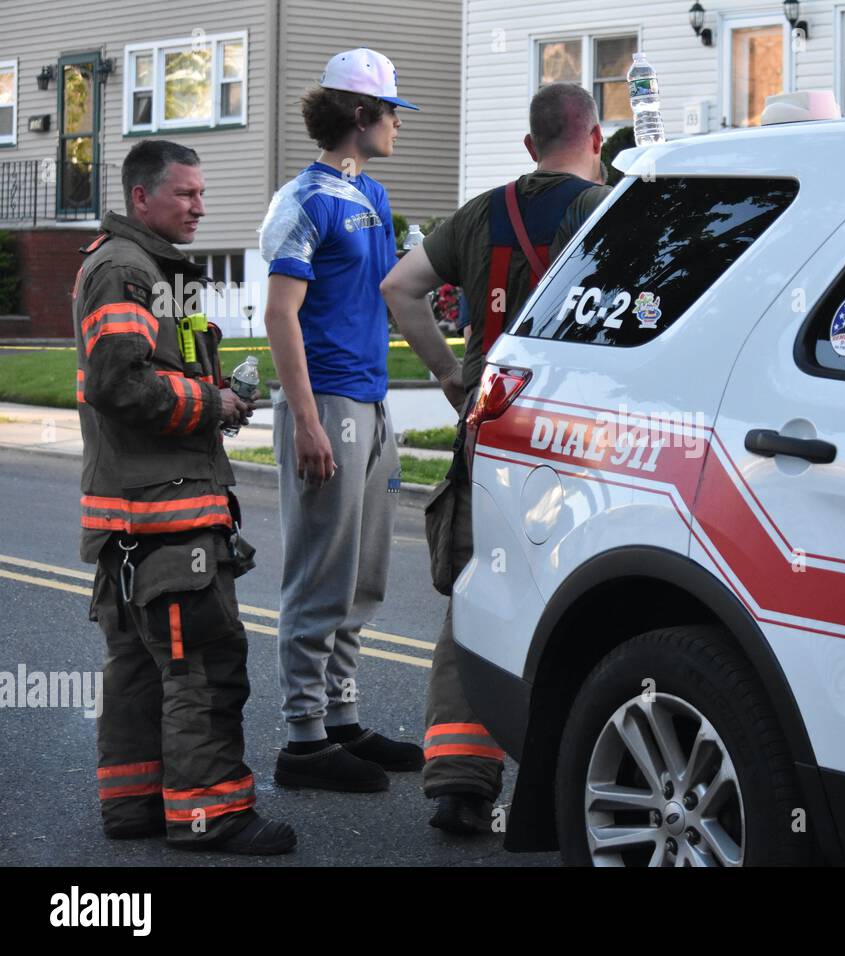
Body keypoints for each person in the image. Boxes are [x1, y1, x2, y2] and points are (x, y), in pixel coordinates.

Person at [381, 82, 611, 833]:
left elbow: (400, 287)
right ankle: (564, 783)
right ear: (597, 139)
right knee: (585, 601)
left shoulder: (481, 212)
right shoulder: (604, 211)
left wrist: (450, 375)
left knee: (480, 593)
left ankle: (457, 780)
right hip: (579, 436)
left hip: (492, 427)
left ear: (528, 145)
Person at [77, 139, 295, 854]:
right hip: (165, 515)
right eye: (186, 195)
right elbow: (120, 384)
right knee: (201, 663)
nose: (200, 206)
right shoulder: (126, 269)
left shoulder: (152, 268)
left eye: (202, 193)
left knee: (140, 667)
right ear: (143, 197)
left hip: (136, 513)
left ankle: (135, 805)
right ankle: (211, 814)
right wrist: (215, 403)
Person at [261, 49, 422, 791]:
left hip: (372, 401)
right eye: (391, 112)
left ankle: (341, 718)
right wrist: (306, 422)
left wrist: (446, 373)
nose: (398, 124)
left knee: (363, 576)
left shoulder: (375, 196)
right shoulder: (303, 200)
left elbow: (394, 293)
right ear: (361, 116)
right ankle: (302, 741)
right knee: (319, 575)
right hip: (326, 403)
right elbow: (279, 315)